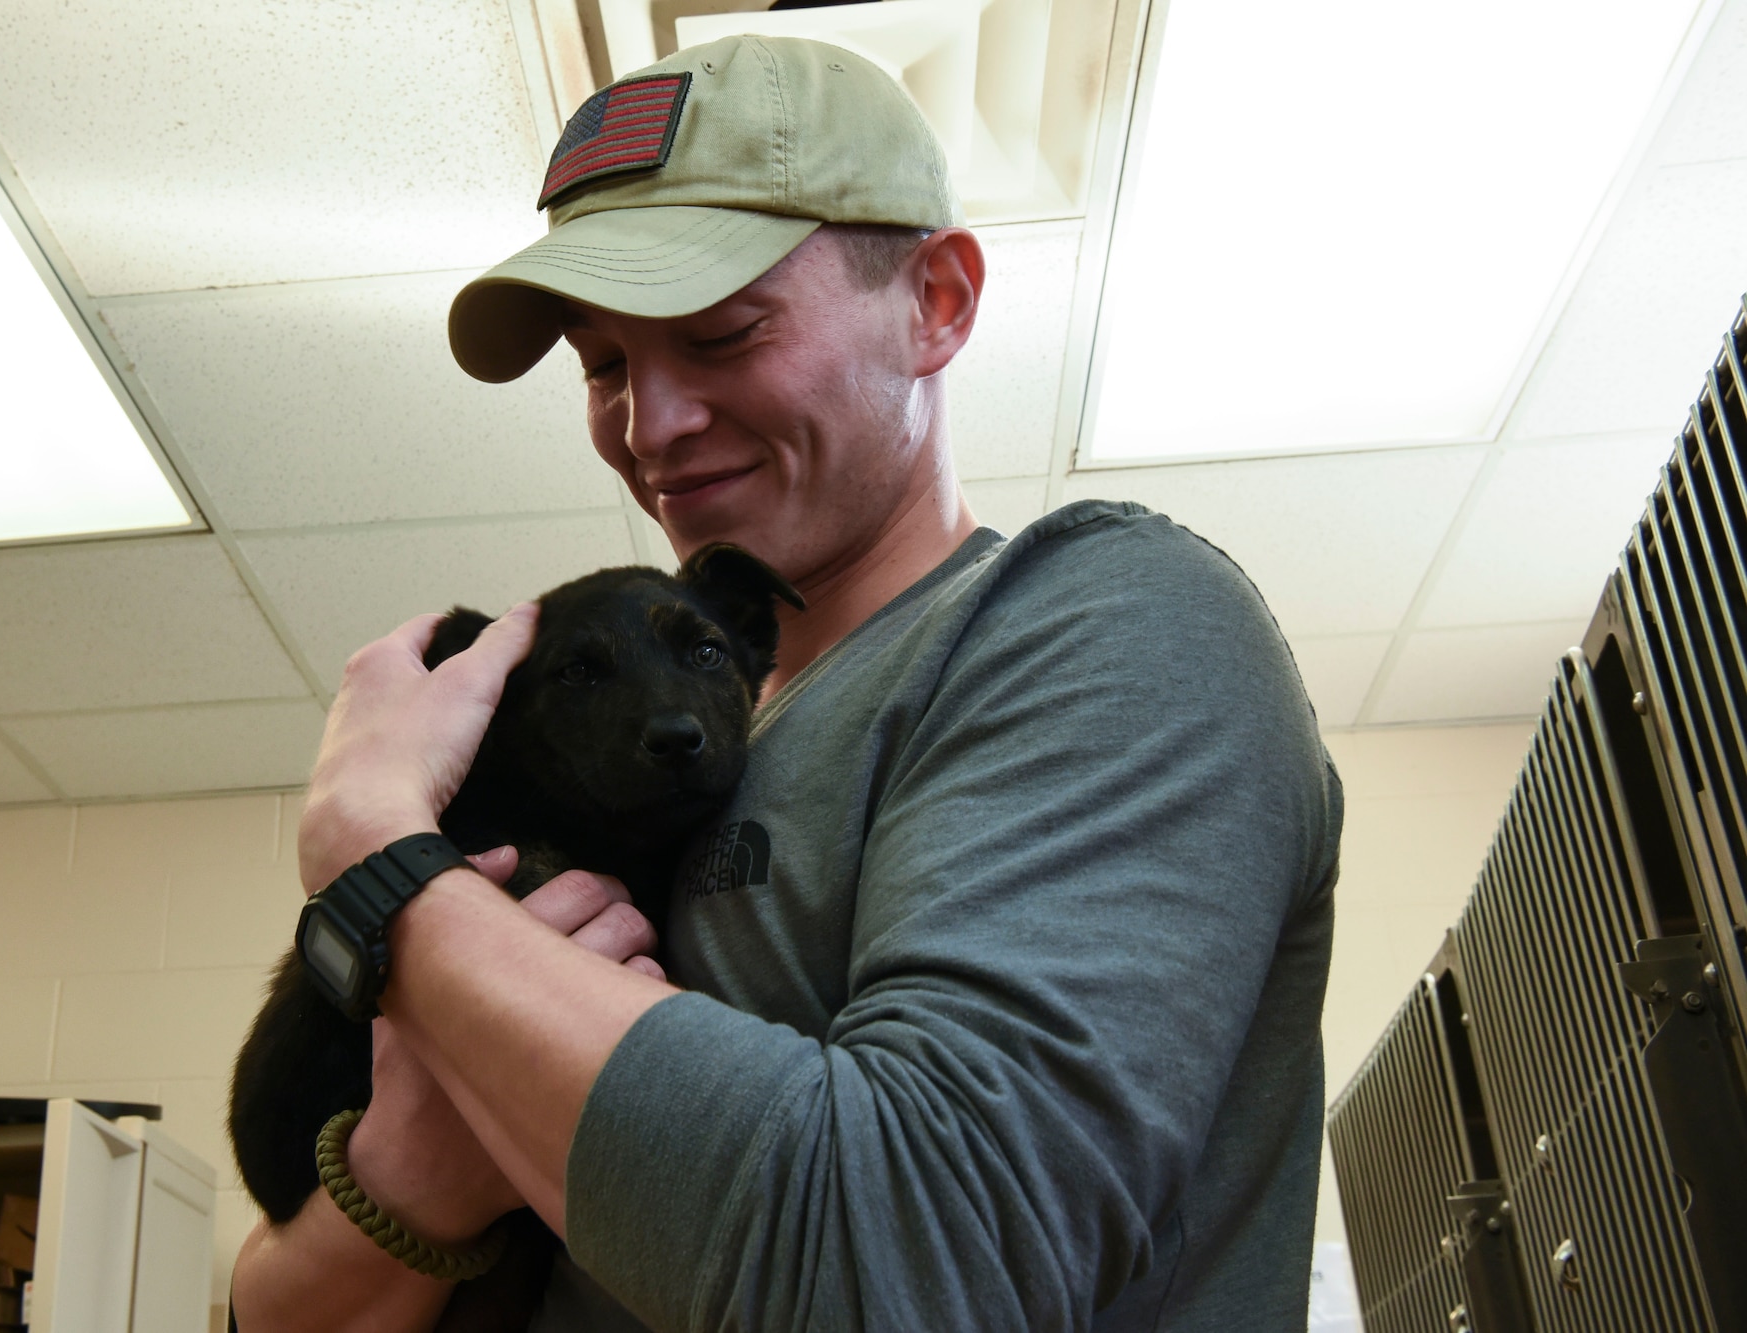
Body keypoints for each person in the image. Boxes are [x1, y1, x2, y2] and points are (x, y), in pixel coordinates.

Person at [232, 32, 1339, 1333]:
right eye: (604, 365)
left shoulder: (1101, 619)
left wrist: (377, 860)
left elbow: (912, 1272)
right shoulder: (670, 780)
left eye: (720, 332)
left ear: (935, 300)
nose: (651, 425)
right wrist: (418, 1174)